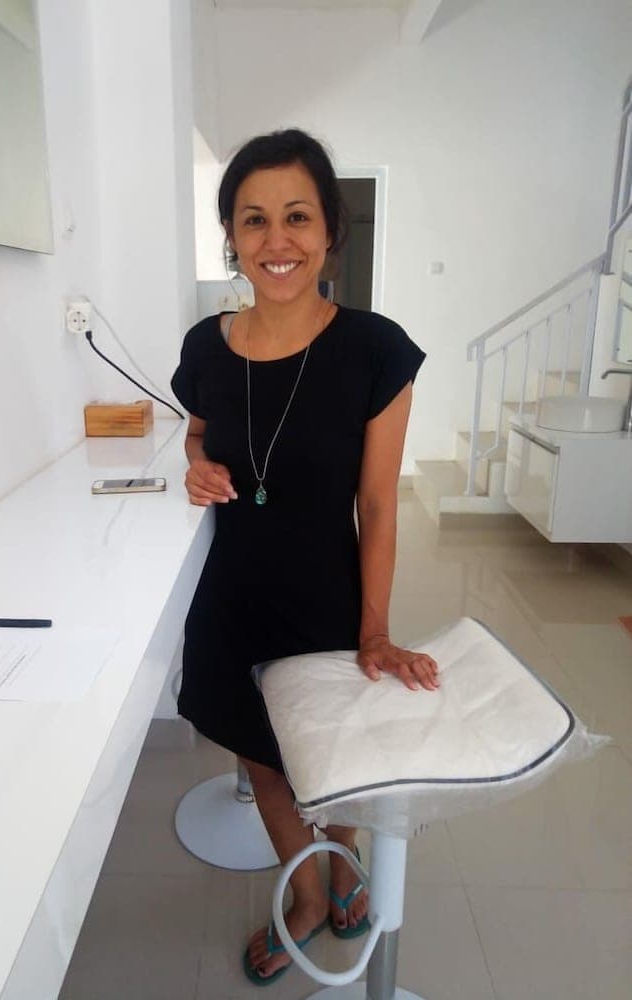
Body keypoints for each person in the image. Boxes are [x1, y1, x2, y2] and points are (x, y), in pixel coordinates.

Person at [171, 128, 439, 986]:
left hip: (327, 592)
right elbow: (198, 431)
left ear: (329, 230)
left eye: (297, 216)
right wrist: (197, 464)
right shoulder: (206, 346)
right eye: (254, 219)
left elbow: (378, 503)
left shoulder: (375, 350)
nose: (276, 240)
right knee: (262, 756)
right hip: (233, 594)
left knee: (333, 758)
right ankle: (310, 896)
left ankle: (343, 863)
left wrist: (375, 629)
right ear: (231, 235)